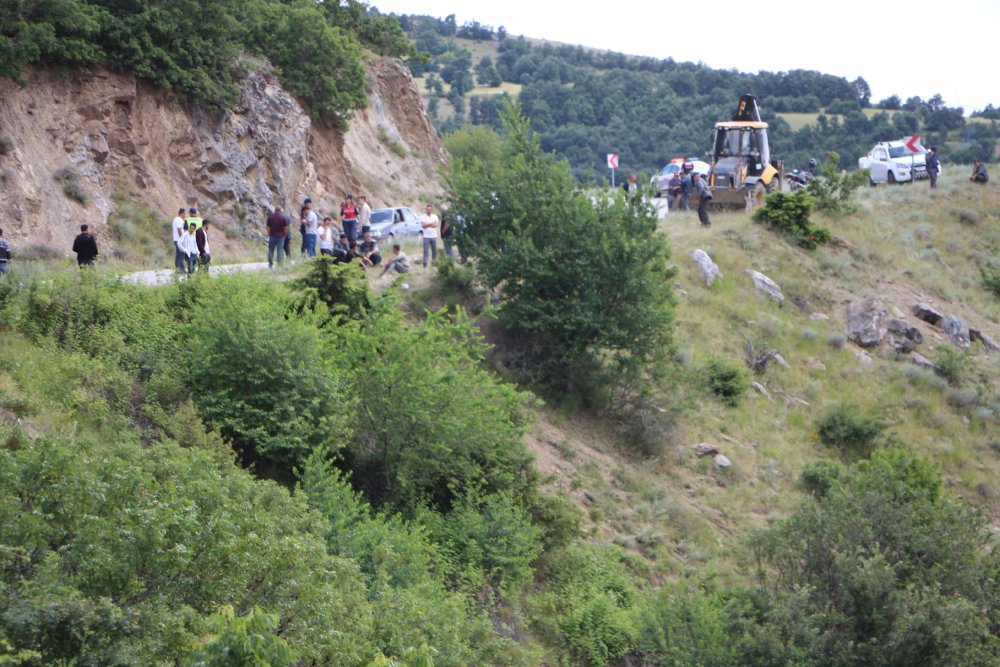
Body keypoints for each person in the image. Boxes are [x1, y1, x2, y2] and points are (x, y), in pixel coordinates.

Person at [420, 203, 439, 267]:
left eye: (429, 209)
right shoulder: (423, 216)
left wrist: (428, 224)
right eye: (427, 209)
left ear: (432, 210)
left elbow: (436, 225)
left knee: (434, 251)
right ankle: (425, 262)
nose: (428, 211)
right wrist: (431, 223)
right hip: (426, 236)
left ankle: (434, 262)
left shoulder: (435, 216)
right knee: (426, 251)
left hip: (434, 236)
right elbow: (423, 225)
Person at [171, 207, 188, 273]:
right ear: (182, 213)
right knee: (181, 255)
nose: (185, 215)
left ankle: (177, 269)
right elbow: (179, 230)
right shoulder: (179, 220)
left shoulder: (176, 219)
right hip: (179, 240)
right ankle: (181, 270)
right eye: (185, 213)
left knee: (178, 255)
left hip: (176, 240)